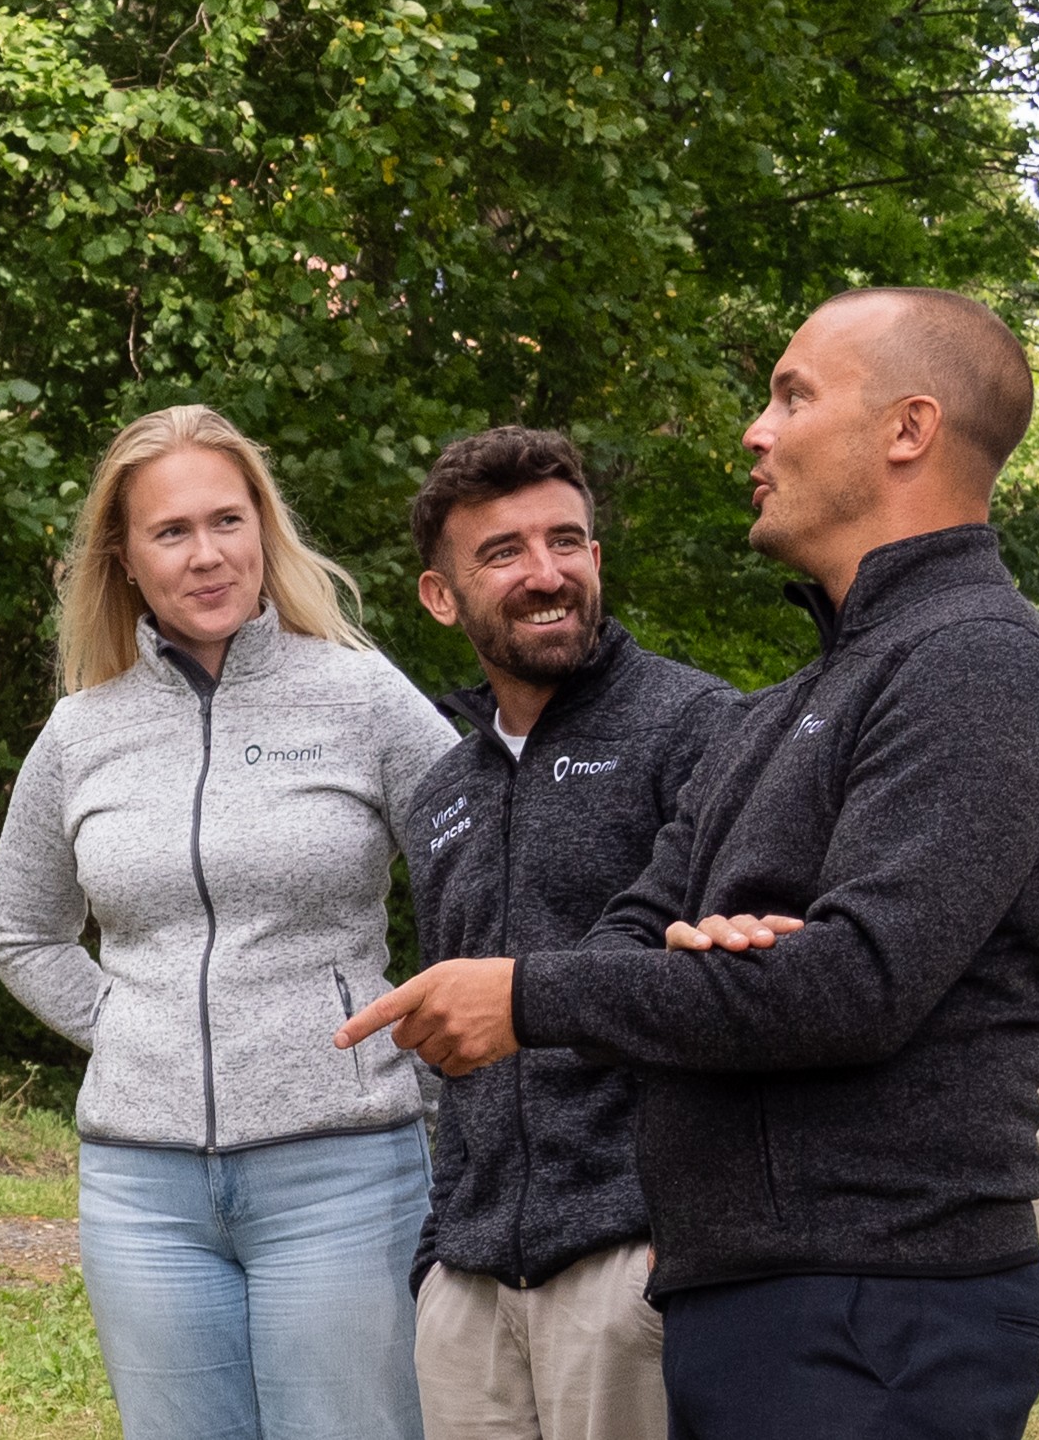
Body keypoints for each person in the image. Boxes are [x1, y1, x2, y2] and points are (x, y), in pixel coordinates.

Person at [344, 288, 1039, 1438]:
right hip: (751, 1292)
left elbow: (852, 985)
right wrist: (705, 964)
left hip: (883, 1300)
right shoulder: (791, 702)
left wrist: (531, 991)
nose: (755, 430)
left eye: (793, 394)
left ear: (909, 428)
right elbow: (632, 931)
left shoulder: (978, 664)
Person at [0, 404, 453, 1440]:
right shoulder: (83, 730)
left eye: (228, 520)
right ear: (125, 556)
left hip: (342, 1169)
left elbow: (486, 872)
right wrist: (133, 1029)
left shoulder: (360, 693)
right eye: (172, 531)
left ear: (264, 527)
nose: (208, 555)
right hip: (141, 1192)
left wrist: (416, 1054)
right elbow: (23, 932)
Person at [395, 428, 740, 1440]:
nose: (547, 573)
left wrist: (671, 1241)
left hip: (628, 1267)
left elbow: (732, 996)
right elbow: (448, 1050)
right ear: (441, 594)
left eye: (568, 541)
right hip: (470, 1284)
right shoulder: (442, 795)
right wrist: (436, 1257)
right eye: (504, 552)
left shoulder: (700, 729)